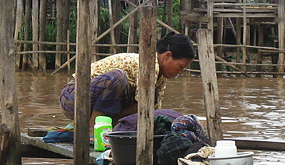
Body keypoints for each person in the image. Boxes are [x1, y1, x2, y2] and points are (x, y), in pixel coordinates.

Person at [59, 32, 194, 123]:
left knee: (149, 99)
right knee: (118, 77)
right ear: (167, 56)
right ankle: (92, 129)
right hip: (74, 97)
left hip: (93, 104)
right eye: (180, 67)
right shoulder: (150, 65)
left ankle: (108, 125)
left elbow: (150, 110)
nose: (179, 72)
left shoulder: (160, 78)